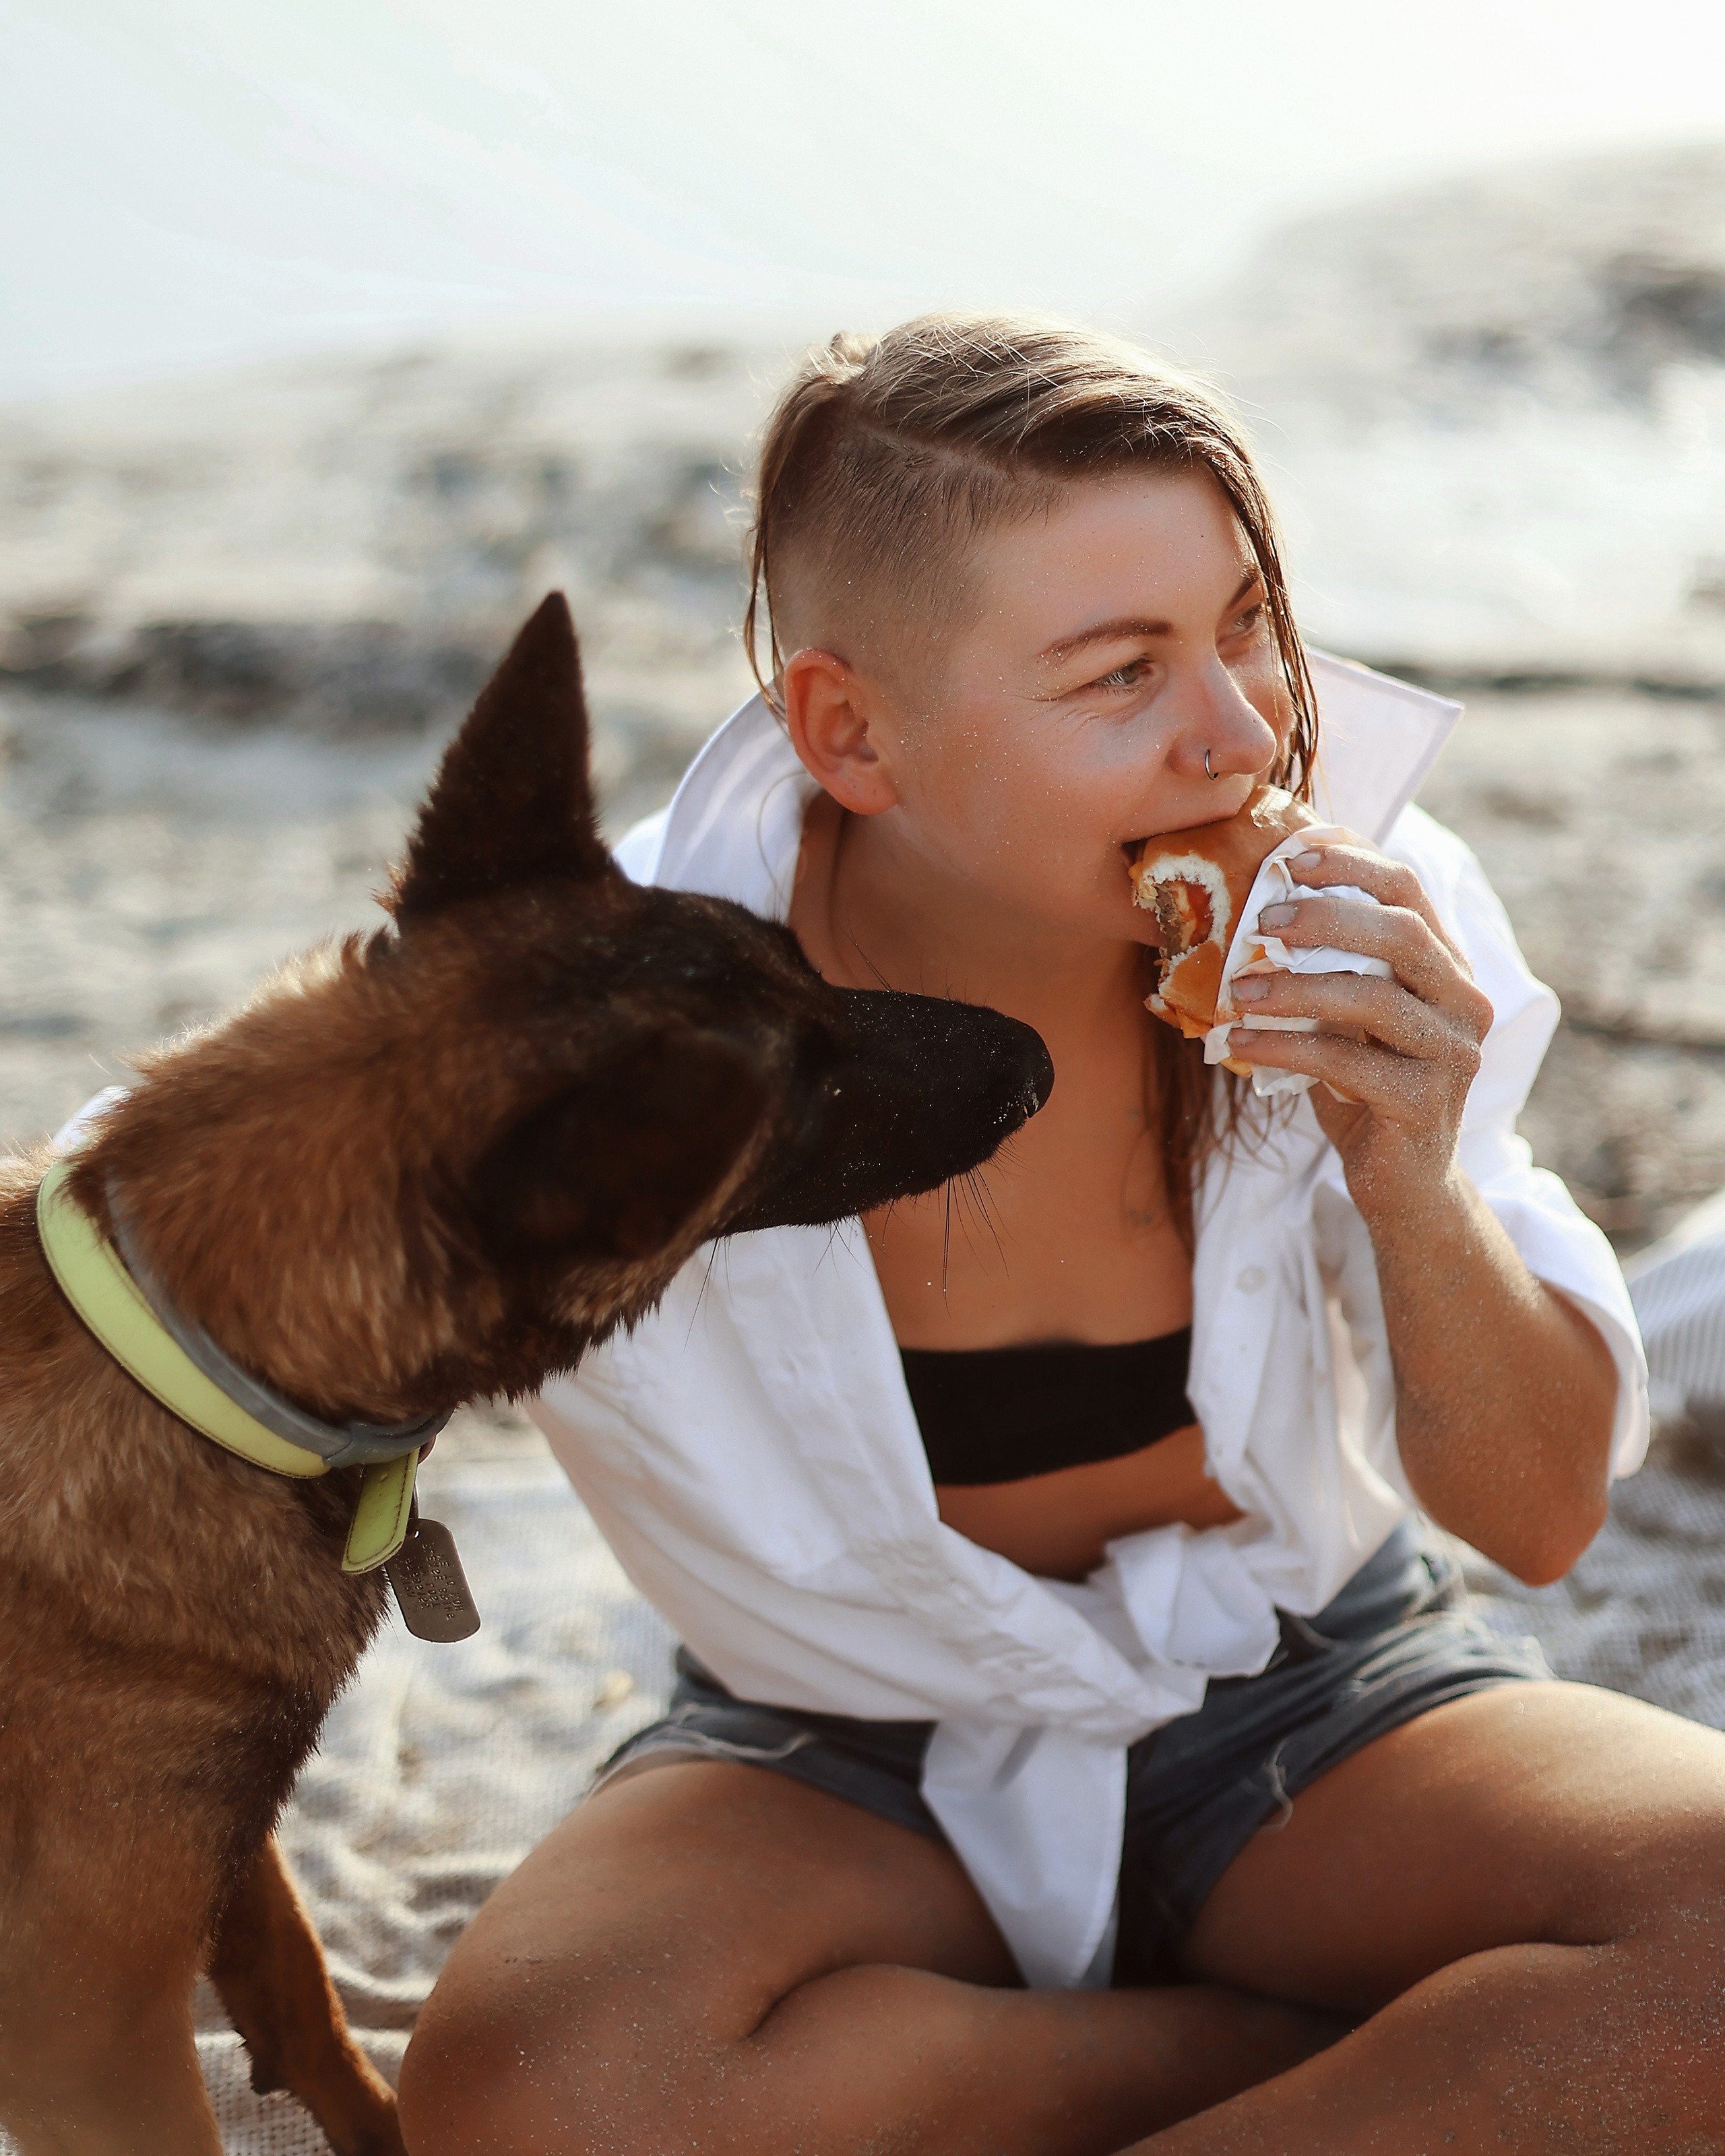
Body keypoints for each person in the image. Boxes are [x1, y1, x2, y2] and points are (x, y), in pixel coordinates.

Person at [397, 316, 1725, 2155]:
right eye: (1122, 674)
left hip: (1301, 1679)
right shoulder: (594, 1004)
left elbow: (1539, 1513)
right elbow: (185, 1235)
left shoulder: (1371, 903)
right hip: (835, 1735)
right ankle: (1326, 2048)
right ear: (852, 734)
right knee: (535, 2096)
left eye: (1248, 623)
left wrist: (1406, 1175)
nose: (1246, 730)